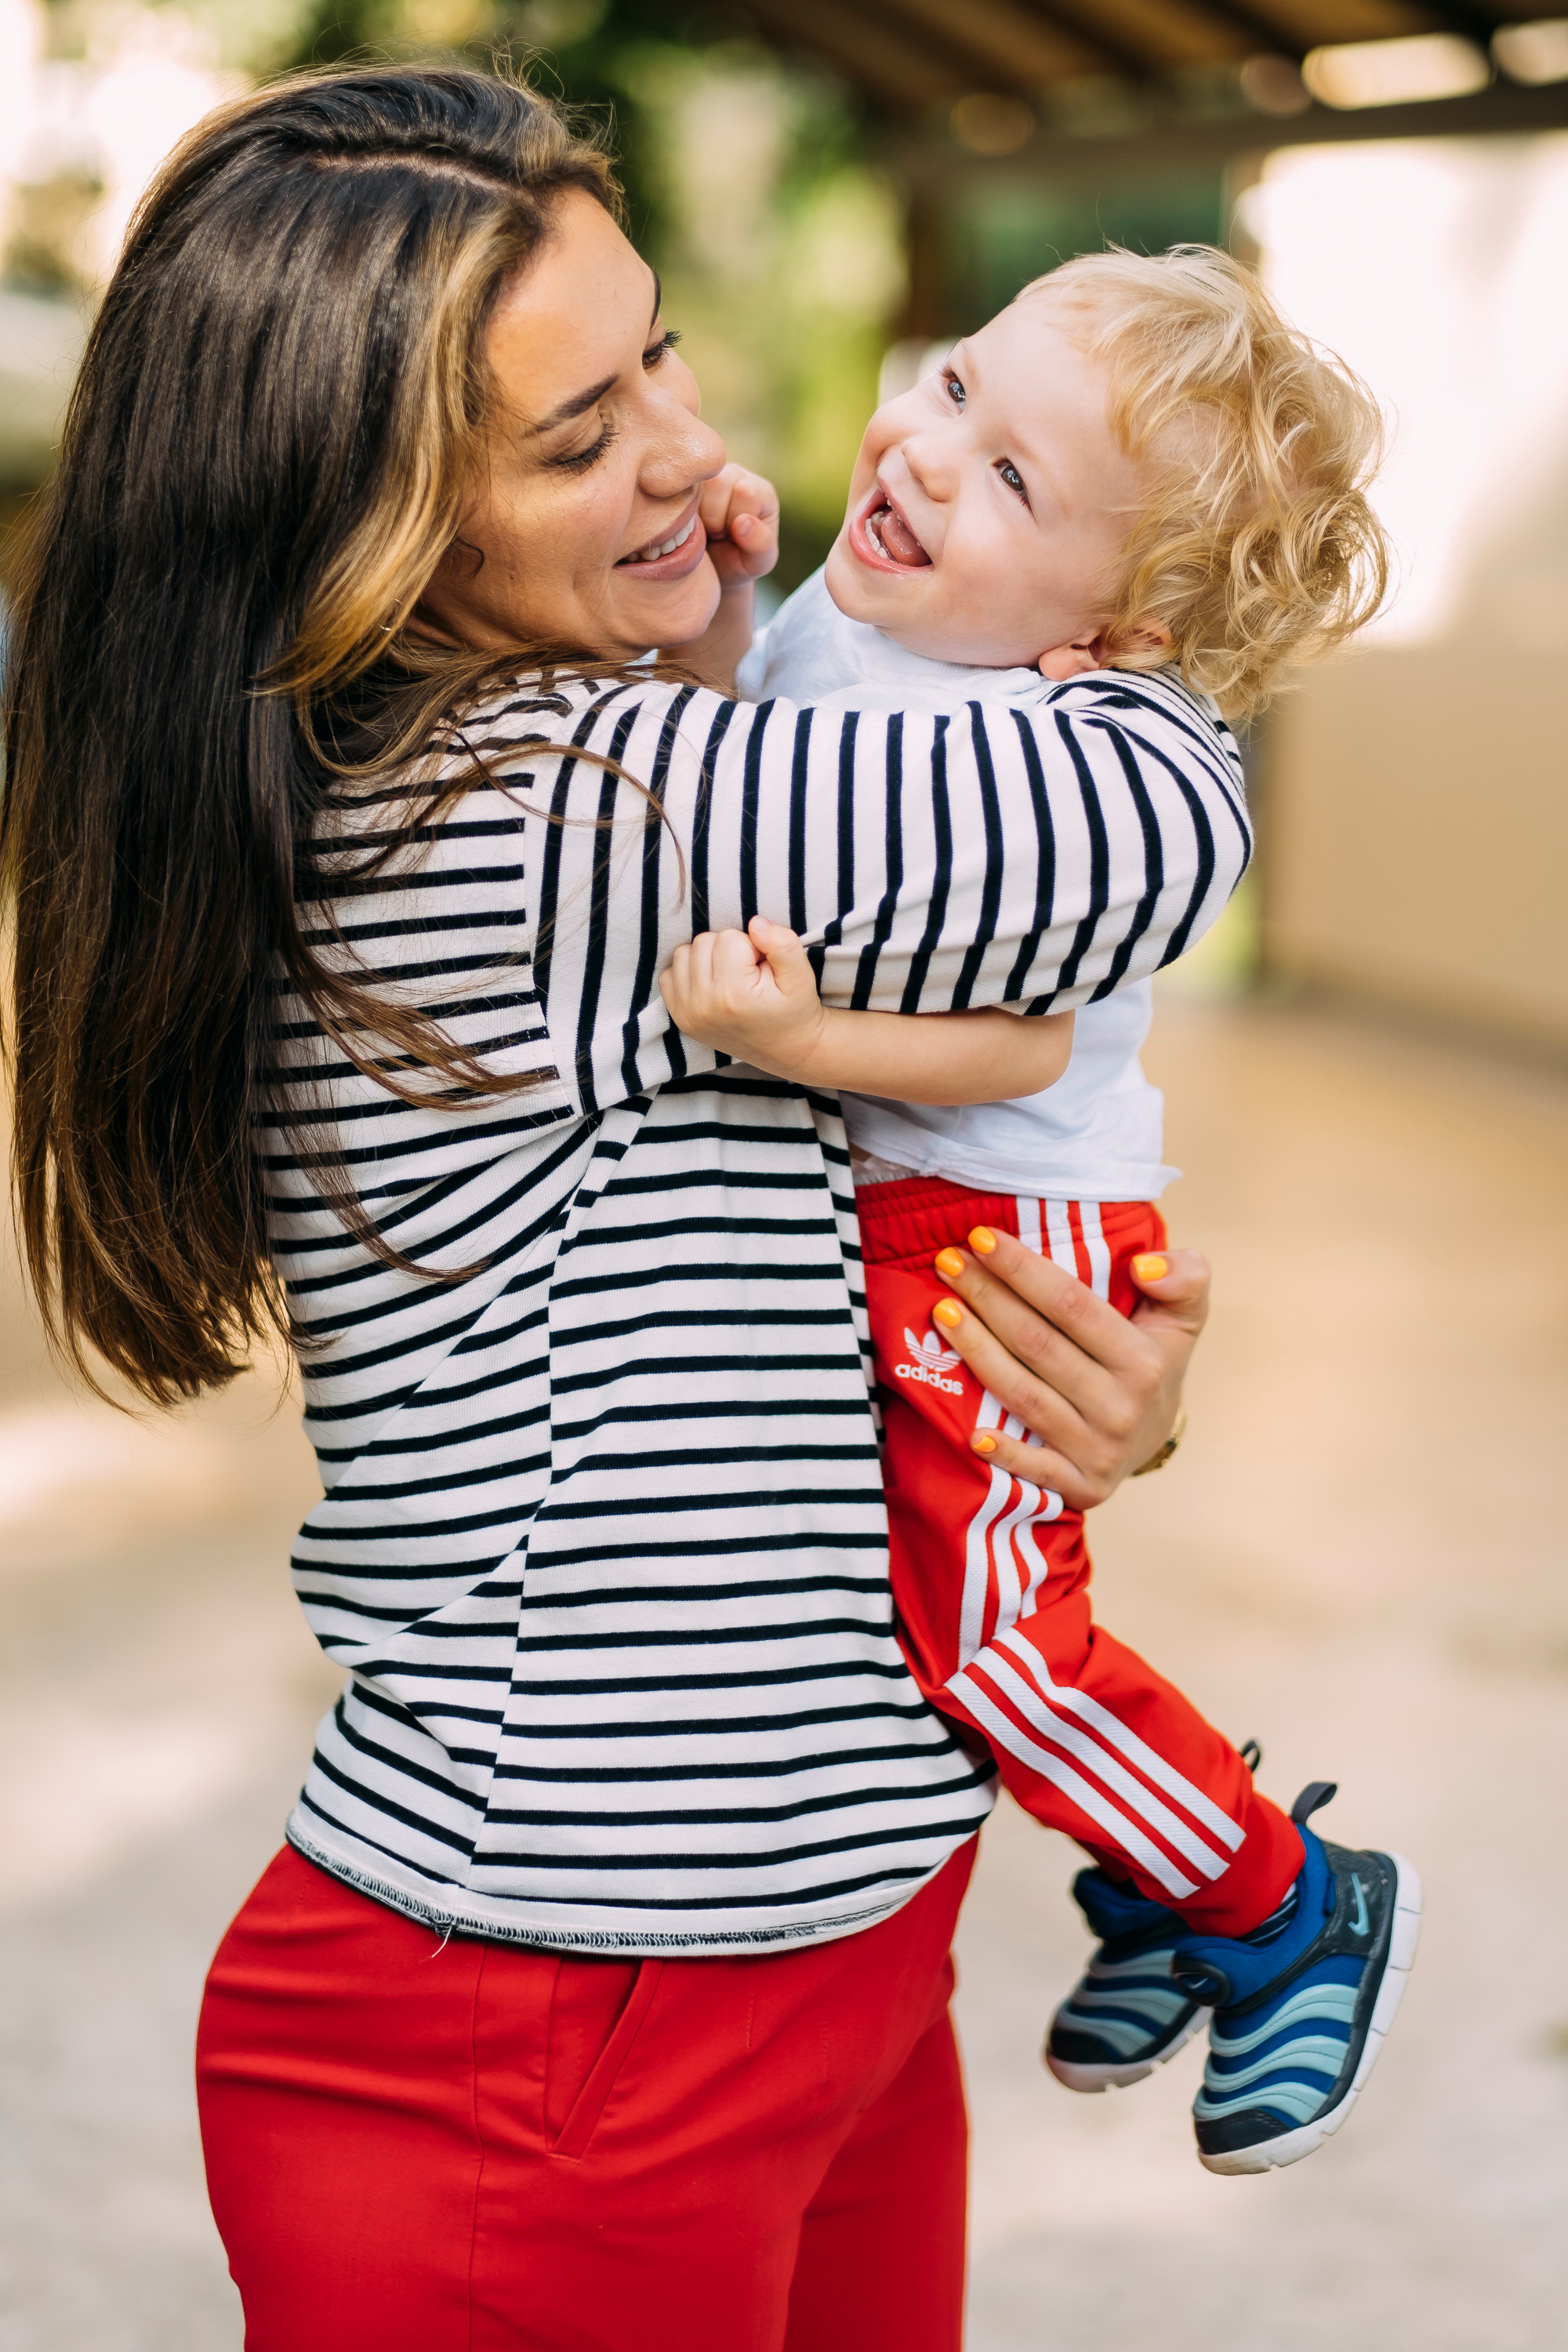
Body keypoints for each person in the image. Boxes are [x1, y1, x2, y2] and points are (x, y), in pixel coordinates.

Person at [3, 66, 1242, 2352]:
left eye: (656, 349)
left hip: (809, 1950)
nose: (683, 447)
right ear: (364, 539)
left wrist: (1075, 1381)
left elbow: (810, 1218)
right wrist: (1159, 607)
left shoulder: (605, 749)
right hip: (559, 2034)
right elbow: (1139, 845)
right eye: (576, 440)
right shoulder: (547, 805)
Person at [661, 249, 1421, 2178]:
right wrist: (727, 603)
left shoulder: (1045, 745)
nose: (924, 454)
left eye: (1011, 477)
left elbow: (1019, 1042)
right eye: (952, 389)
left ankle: (1277, 1905)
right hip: (919, 1214)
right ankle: (1165, 1882)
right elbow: (744, 741)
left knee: (994, 1646)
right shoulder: (869, 616)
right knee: (940, 1613)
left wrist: (798, 1037)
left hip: (1005, 1237)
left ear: (1113, 629)